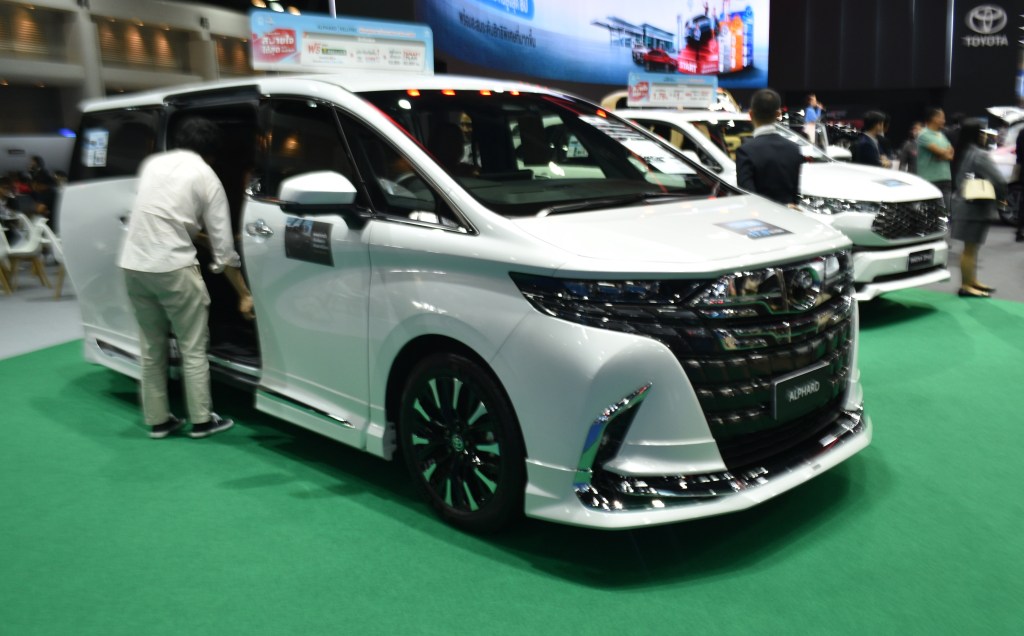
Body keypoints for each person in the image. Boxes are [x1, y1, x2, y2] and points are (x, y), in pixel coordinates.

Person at [118, 117, 253, 439]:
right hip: (173, 268)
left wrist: (195, 235)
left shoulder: (153, 165)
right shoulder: (207, 176)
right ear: (213, 153)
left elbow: (159, 216)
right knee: (193, 347)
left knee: (151, 347)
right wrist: (244, 293)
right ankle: (202, 421)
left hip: (133, 264)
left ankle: (159, 421)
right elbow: (224, 251)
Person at [949, 117, 1007, 298]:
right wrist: (1002, 198)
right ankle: (967, 286)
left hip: (963, 203)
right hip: (974, 207)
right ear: (976, 134)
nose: (985, 136)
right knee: (970, 249)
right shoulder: (979, 154)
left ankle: (971, 281)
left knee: (970, 248)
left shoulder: (961, 152)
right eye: (982, 133)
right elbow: (999, 180)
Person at [736, 88, 804, 206]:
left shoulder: (745, 151)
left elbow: (748, 197)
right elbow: (794, 197)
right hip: (788, 216)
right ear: (778, 114)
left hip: (761, 215)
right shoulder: (794, 149)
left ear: (750, 114)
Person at [917, 107, 955, 210]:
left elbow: (951, 153)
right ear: (934, 118)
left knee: (947, 211)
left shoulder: (942, 135)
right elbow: (938, 151)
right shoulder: (923, 134)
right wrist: (943, 153)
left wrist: (942, 154)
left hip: (945, 178)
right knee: (933, 213)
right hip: (930, 180)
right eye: (942, 118)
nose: (944, 121)